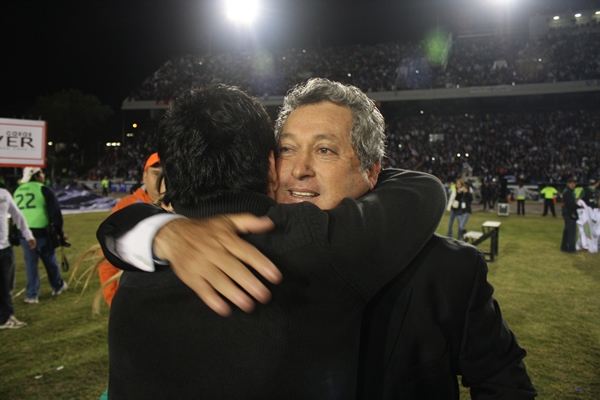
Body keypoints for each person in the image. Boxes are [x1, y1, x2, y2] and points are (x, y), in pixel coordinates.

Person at [98, 79, 535, 399]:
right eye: (286, 149)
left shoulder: (449, 269)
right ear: (268, 163)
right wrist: (162, 230)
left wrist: (151, 228)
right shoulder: (234, 244)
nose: (299, 169)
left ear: (372, 170)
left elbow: (502, 382)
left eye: (324, 150)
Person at [97, 153, 161, 306]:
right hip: (137, 299)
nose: (162, 180)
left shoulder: (184, 204)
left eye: (169, 174)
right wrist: (114, 300)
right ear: (144, 176)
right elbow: (107, 259)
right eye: (156, 174)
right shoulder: (126, 207)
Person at [14, 167, 68, 303]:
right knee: (50, 261)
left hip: (24, 233)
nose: (44, 176)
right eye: (41, 173)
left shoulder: (17, 191)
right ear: (36, 176)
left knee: (31, 265)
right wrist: (60, 233)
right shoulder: (44, 190)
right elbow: (55, 214)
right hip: (42, 232)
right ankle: (57, 286)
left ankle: (32, 295)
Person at [0, 188, 36, 329]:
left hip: (4, 248)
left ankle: (5, 317)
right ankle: (5, 318)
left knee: (7, 284)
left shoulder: (3, 194)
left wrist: (28, 235)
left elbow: (17, 215)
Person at [560, 177, 578, 253]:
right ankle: (571, 249)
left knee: (567, 231)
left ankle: (564, 247)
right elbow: (570, 204)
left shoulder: (569, 192)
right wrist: (579, 206)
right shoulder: (568, 192)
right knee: (571, 231)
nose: (573, 185)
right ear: (568, 184)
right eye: (571, 183)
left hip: (567, 213)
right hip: (569, 213)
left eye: (574, 183)